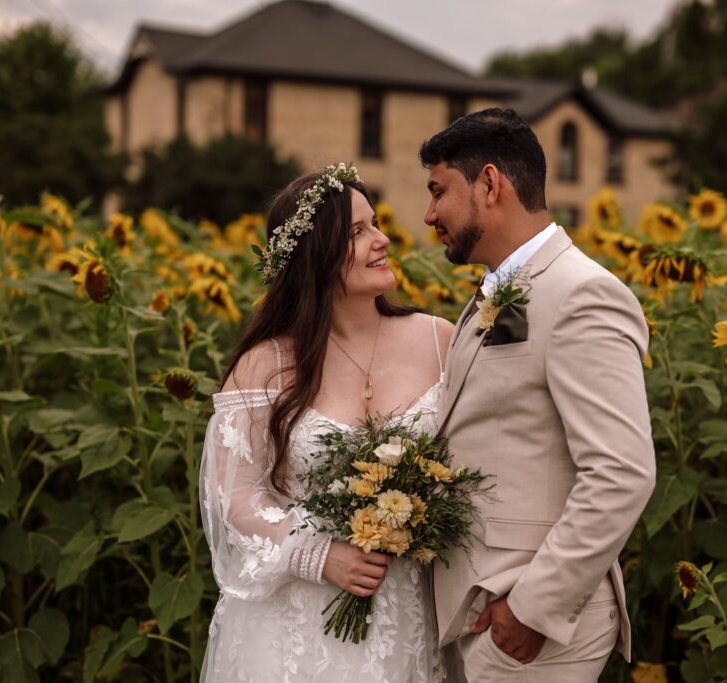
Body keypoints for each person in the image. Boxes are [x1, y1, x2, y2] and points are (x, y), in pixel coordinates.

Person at [420, 108, 656, 682]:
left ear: (490, 184)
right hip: (481, 611)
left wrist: (531, 608)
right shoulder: (498, 291)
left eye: (437, 191)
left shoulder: (583, 295)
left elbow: (622, 472)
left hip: (533, 625)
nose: (429, 215)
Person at [198, 163, 453, 682]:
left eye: (375, 223)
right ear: (315, 257)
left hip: (409, 606)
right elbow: (234, 495)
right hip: (299, 624)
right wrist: (316, 555)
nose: (381, 240)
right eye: (358, 233)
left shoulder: (440, 340)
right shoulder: (265, 364)